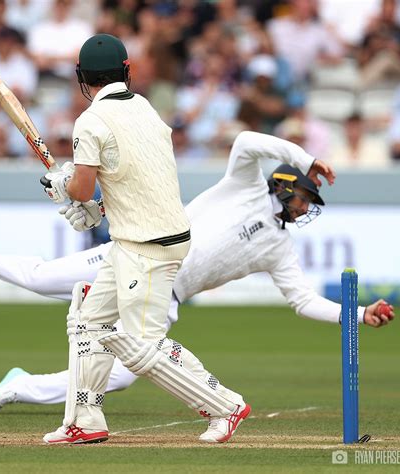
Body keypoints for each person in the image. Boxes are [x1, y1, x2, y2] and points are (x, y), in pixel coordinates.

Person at [0, 132, 394, 418]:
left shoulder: (279, 246)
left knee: (118, 377)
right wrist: (306, 156)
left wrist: (357, 315)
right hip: (134, 258)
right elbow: (246, 143)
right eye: (305, 200)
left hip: (166, 296)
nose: (306, 210)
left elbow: (302, 300)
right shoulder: (244, 184)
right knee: (40, 280)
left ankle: (21, 386)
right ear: (289, 185)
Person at [38, 33, 249, 445]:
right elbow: (134, 178)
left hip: (147, 246)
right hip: (143, 237)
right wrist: (97, 209)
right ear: (126, 71)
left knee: (141, 346)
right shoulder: (145, 108)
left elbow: (82, 188)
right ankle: (87, 418)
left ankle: (225, 405)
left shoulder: (91, 120)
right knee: (88, 321)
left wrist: (65, 187)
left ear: (83, 78)